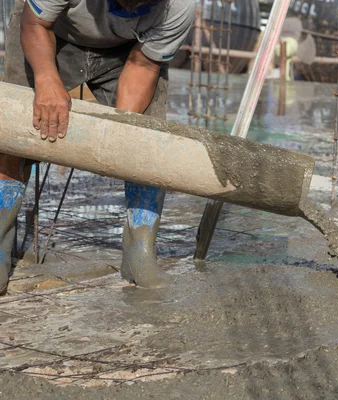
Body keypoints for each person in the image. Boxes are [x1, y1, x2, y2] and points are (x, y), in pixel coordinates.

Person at [0, 0, 195, 295]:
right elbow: (35, 22)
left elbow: (143, 63)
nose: (130, 12)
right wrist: (47, 80)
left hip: (130, 48)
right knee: (14, 134)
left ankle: (139, 255)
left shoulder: (179, 5)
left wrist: (116, 137)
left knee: (145, 138)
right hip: (48, 29)